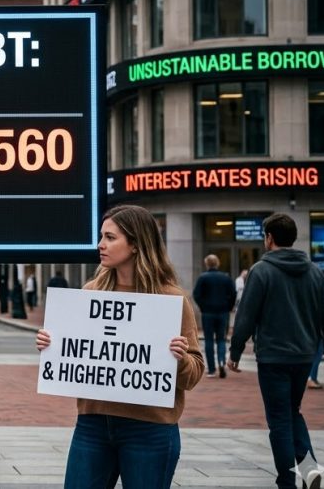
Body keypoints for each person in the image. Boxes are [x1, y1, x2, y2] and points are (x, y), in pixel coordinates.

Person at [35, 204, 203, 488]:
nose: (101, 245)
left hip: (150, 429)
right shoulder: (91, 293)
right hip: (93, 424)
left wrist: (181, 358)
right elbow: (78, 354)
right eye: (102, 236)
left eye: (110, 238)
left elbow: (193, 375)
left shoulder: (170, 299)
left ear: (136, 244)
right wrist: (53, 345)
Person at [227, 213, 324, 489]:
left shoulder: (261, 270)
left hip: (272, 357)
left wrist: (234, 353)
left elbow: (246, 316)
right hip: (305, 355)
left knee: (280, 419)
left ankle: (287, 481)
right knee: (292, 412)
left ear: (269, 238)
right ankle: (310, 470)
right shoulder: (315, 272)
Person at [192, 254, 236, 379]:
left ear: (207, 264)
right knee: (221, 339)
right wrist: (229, 307)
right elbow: (233, 294)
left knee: (209, 340)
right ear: (217, 263)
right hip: (223, 312)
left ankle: (211, 369)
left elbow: (196, 295)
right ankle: (221, 362)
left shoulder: (203, 278)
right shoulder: (226, 278)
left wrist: (203, 306)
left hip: (208, 313)